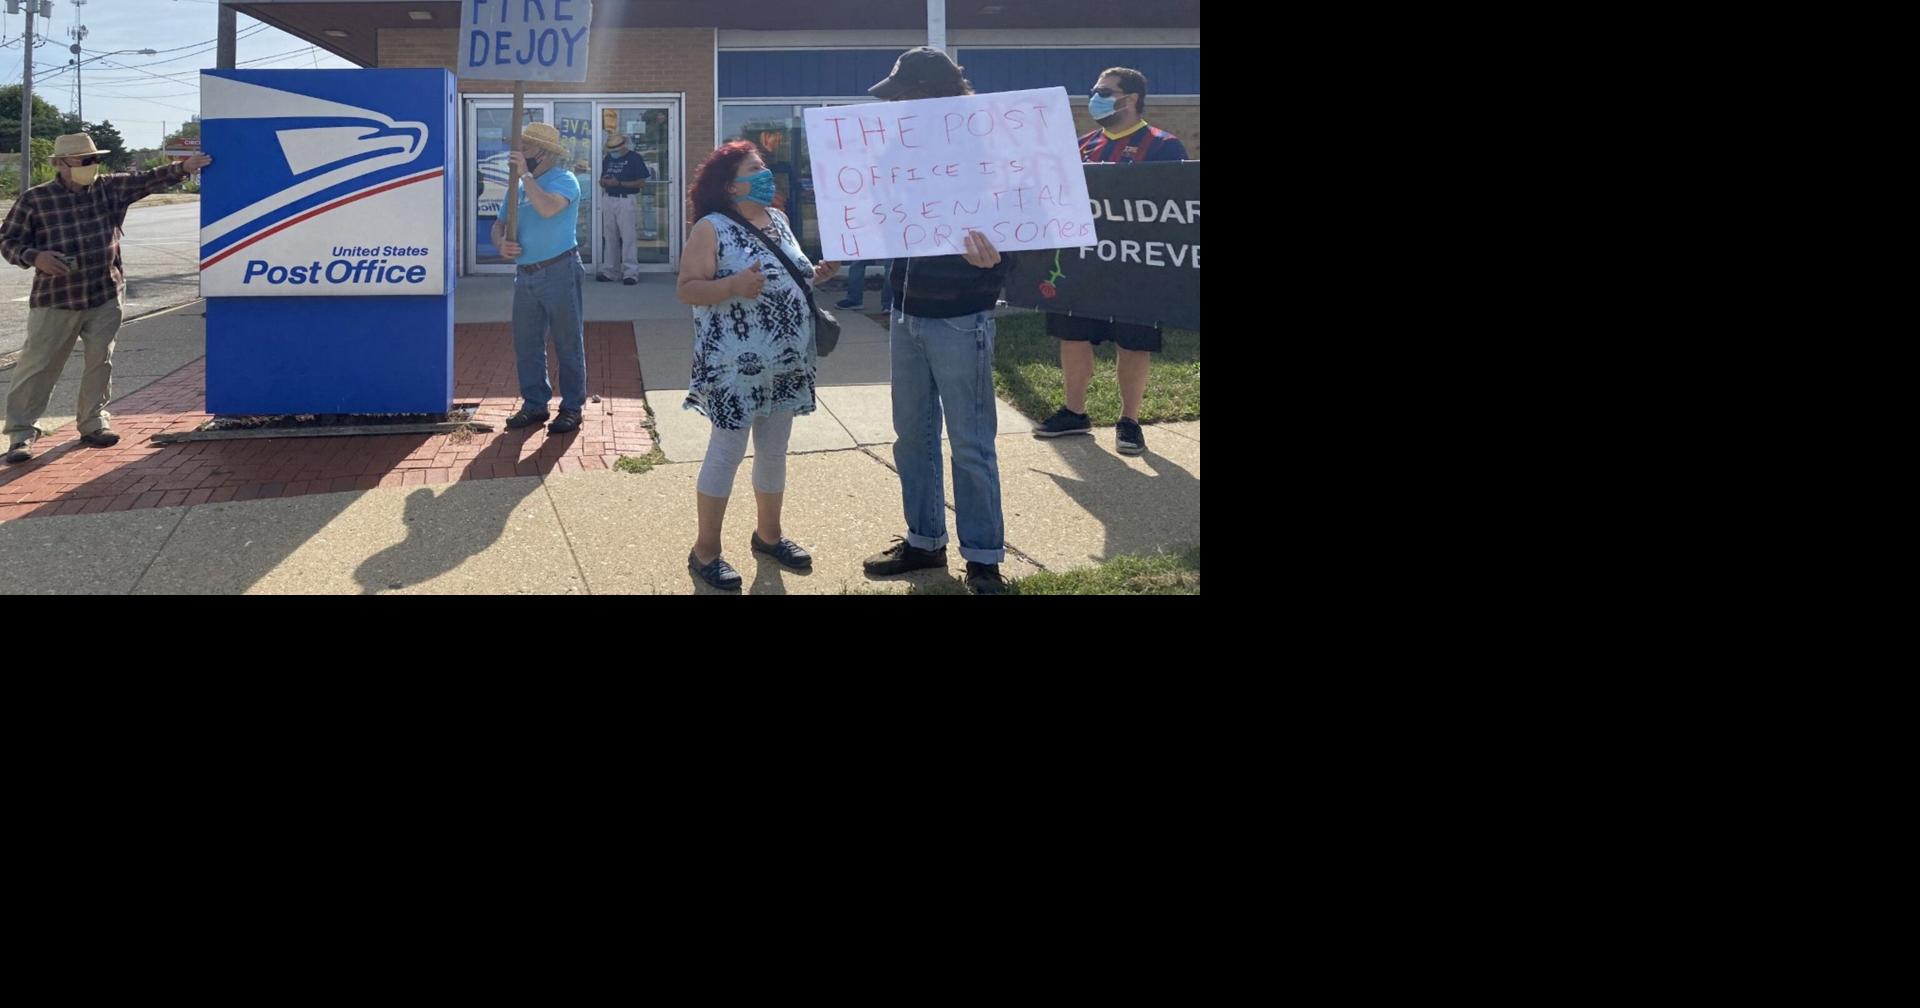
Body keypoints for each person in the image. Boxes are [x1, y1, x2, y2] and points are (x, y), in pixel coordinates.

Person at [856, 48, 1014, 595]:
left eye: (904, 97)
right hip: (904, 309)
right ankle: (924, 540)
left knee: (970, 441)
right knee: (912, 436)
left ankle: (984, 557)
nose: (897, 107)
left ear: (934, 96)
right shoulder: (899, 149)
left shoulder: (989, 147)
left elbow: (1026, 219)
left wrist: (1000, 257)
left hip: (960, 314)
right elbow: (885, 212)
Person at [676, 141, 836, 591]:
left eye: (765, 167)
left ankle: (769, 535)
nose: (766, 174)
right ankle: (705, 551)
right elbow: (688, 289)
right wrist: (732, 285)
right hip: (732, 366)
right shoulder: (711, 228)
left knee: (773, 450)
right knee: (726, 452)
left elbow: (790, 272)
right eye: (755, 168)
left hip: (785, 362)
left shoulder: (780, 220)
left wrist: (817, 275)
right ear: (731, 184)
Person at [1, 133, 212, 464]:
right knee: (39, 365)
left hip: (104, 292)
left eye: (95, 159)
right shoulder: (35, 200)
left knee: (100, 361)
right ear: (60, 164)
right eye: (84, 161)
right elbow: (8, 240)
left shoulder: (108, 188)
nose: (92, 166)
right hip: (57, 298)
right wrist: (34, 256)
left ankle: (93, 423)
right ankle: (21, 434)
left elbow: (146, 179)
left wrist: (184, 167)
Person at [1033, 67, 1190, 457]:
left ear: (1132, 98)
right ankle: (1074, 411)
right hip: (1081, 263)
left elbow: (1176, 209)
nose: (1096, 97)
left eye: (1105, 91)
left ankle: (1129, 421)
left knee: (1133, 341)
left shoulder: (1164, 146)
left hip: (1135, 266)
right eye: (1095, 90)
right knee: (1072, 335)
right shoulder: (1083, 145)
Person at [492, 122, 588, 435]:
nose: (519, 153)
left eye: (526, 148)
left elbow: (548, 209)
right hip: (526, 274)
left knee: (567, 342)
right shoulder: (516, 186)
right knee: (527, 343)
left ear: (543, 153)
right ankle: (535, 403)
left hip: (559, 269)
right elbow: (499, 225)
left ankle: (572, 407)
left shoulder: (565, 180)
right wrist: (500, 244)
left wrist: (525, 176)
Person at [595, 132, 650, 285]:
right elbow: (603, 178)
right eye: (611, 150)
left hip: (625, 199)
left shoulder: (634, 158)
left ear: (623, 146)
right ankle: (610, 271)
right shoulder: (608, 159)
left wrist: (619, 184)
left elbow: (641, 182)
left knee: (628, 237)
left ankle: (630, 272)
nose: (613, 153)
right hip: (609, 198)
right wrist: (604, 182)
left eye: (615, 150)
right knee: (609, 236)